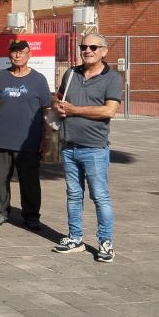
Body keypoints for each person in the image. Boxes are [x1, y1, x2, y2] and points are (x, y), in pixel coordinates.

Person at [52, 33, 121, 262]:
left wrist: (74, 110)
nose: (87, 50)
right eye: (84, 46)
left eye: (93, 47)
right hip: (68, 146)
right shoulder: (71, 73)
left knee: (100, 197)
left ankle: (105, 242)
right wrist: (58, 106)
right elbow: (59, 97)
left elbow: (109, 110)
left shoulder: (112, 78)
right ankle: (75, 238)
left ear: (104, 51)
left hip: (94, 148)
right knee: (73, 195)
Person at [0, 40, 52, 229]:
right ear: (9, 55)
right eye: (14, 52)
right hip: (1, 140)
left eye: (21, 52)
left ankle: (31, 216)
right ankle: (0, 212)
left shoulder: (39, 79)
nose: (17, 55)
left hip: (28, 142)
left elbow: (46, 111)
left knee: (30, 182)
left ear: (29, 54)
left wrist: (47, 138)